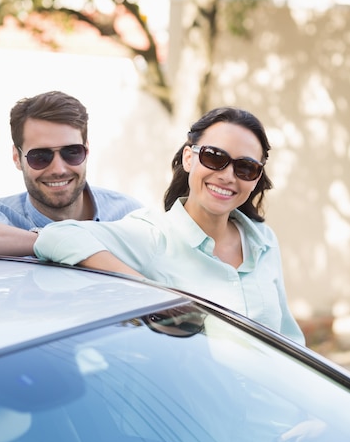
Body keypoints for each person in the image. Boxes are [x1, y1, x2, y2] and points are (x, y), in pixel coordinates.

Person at [34, 106, 305, 345]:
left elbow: (288, 339)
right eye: (214, 157)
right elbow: (56, 237)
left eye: (245, 168)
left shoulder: (263, 240)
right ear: (189, 158)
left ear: (256, 178)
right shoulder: (153, 235)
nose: (227, 176)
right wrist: (149, 291)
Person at [0, 90, 141, 259]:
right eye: (40, 156)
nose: (59, 169)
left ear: (86, 150)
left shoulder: (128, 216)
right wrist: (51, 242)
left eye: (72, 152)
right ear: (17, 157)